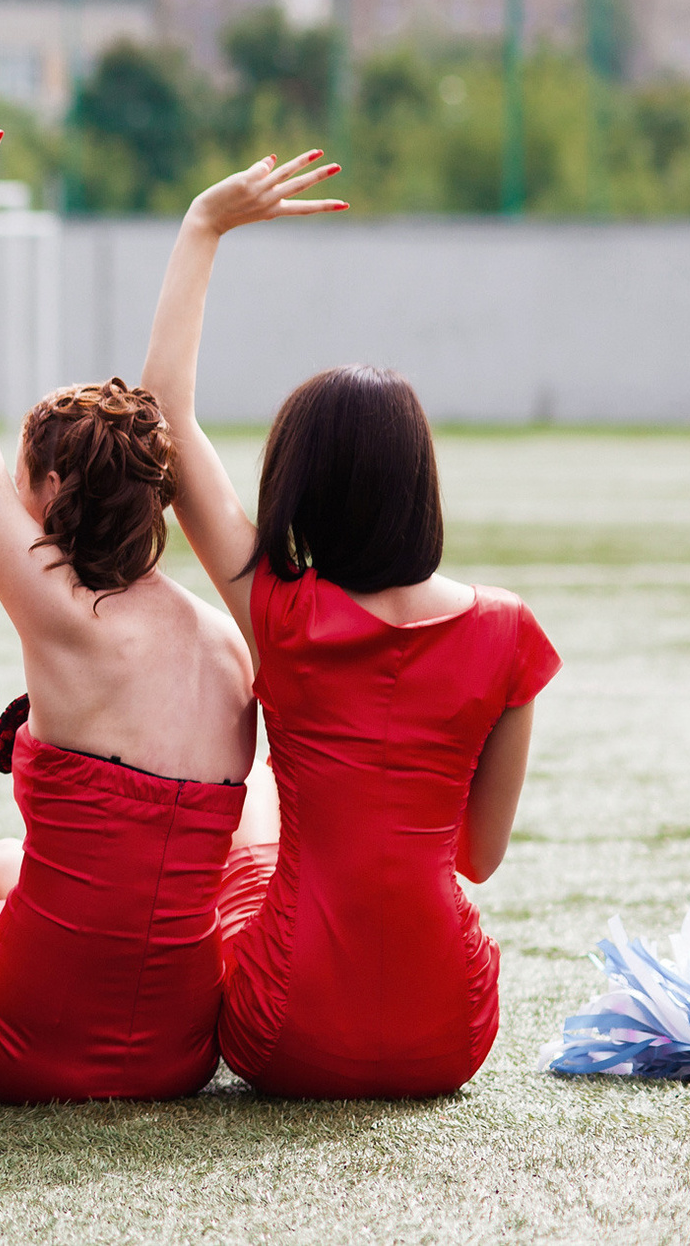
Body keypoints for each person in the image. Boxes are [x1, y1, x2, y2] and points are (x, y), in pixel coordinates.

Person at [140, 151, 557, 1098]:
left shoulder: (281, 613)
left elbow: (165, 413)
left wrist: (203, 224)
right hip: (450, 1031)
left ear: (300, 485)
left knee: (247, 862)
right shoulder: (509, 633)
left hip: (291, 1029)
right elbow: (478, 859)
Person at [0, 112, 255, 1103]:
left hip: (26, 1036)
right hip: (181, 1054)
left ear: (53, 488)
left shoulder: (62, 615)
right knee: (16, 863)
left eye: (22, 480)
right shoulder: (229, 643)